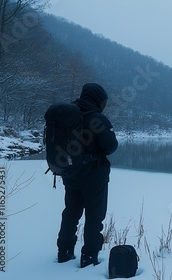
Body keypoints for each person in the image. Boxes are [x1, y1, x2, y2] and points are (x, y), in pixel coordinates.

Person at [56, 83, 118, 268]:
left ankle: (64, 252)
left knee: (70, 213)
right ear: (99, 100)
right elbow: (110, 146)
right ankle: (89, 258)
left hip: (70, 173)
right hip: (94, 177)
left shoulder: (66, 116)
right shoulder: (97, 119)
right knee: (94, 217)